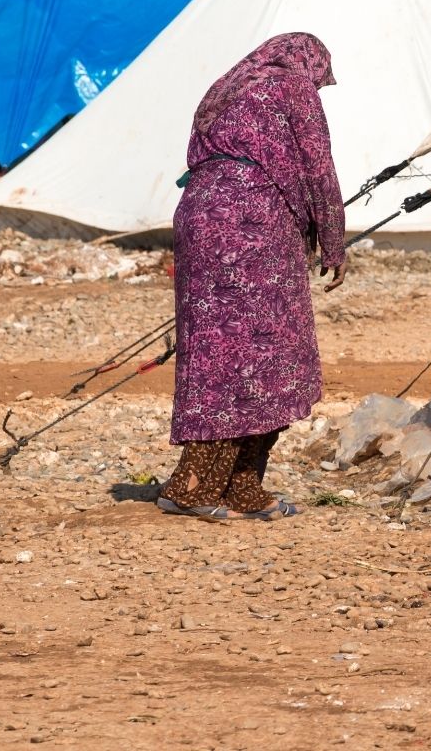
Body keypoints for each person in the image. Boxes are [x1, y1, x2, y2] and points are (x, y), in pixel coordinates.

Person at [156, 33, 348, 520]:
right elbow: (318, 165)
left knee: (218, 354)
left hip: (199, 216)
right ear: (311, 65)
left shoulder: (225, 86)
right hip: (253, 222)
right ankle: (195, 485)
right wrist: (333, 238)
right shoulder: (292, 88)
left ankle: (240, 487)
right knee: (265, 356)